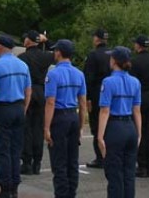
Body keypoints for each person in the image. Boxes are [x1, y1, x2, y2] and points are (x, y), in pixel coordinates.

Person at [0, 36, 32, 198]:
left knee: (1, 149)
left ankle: (5, 188)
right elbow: (28, 90)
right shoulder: (23, 65)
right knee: (16, 149)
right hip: (18, 108)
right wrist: (24, 108)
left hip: (2, 109)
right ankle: (15, 187)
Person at [43, 39, 88, 198]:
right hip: (73, 116)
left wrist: (46, 127)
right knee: (72, 161)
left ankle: (62, 194)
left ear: (59, 53)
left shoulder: (53, 74)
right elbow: (82, 103)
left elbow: (50, 101)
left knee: (59, 161)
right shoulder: (79, 74)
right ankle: (71, 193)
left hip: (59, 117)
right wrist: (81, 125)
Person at [98, 46, 143, 198]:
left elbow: (105, 110)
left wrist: (100, 136)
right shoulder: (135, 81)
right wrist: (139, 133)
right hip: (130, 126)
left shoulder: (108, 81)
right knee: (129, 173)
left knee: (115, 173)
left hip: (115, 127)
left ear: (115, 61)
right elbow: (137, 110)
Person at [18, 30, 56, 175]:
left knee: (26, 128)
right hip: (42, 91)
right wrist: (47, 41)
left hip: (27, 91)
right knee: (38, 128)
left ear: (28, 41)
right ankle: (37, 163)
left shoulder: (22, 57)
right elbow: (57, 52)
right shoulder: (46, 56)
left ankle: (26, 162)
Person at [130, 35, 149, 178]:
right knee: (148, 132)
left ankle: (142, 165)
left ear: (139, 45)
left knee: (139, 131)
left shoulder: (134, 62)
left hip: (139, 96)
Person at [84, 28, 111, 169]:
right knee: (110, 125)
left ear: (97, 39)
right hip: (113, 93)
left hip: (97, 94)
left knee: (97, 125)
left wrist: (87, 97)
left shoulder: (93, 55)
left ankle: (100, 157)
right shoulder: (113, 54)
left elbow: (89, 77)